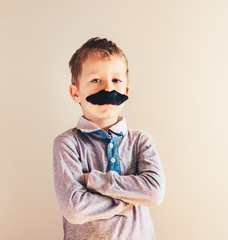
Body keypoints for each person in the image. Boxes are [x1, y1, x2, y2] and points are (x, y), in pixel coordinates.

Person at [53, 37, 165, 240]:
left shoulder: (141, 142)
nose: (108, 89)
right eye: (96, 80)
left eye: (116, 80)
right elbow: (75, 209)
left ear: (126, 90)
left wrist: (94, 180)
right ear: (75, 93)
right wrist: (125, 202)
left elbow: (154, 193)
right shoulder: (68, 144)